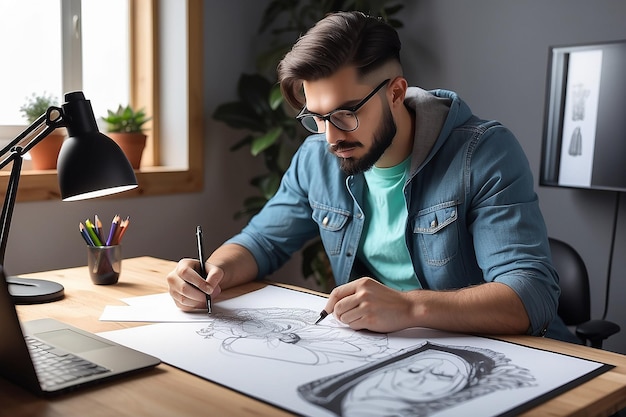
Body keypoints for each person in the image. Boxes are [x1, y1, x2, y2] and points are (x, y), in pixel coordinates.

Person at [167, 11, 576, 342]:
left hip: (513, 359)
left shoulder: (483, 152)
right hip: (388, 356)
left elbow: (532, 294)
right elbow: (260, 243)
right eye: (317, 117)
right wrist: (210, 274)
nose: (330, 137)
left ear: (396, 93)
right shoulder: (316, 158)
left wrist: (411, 307)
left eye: (345, 114)